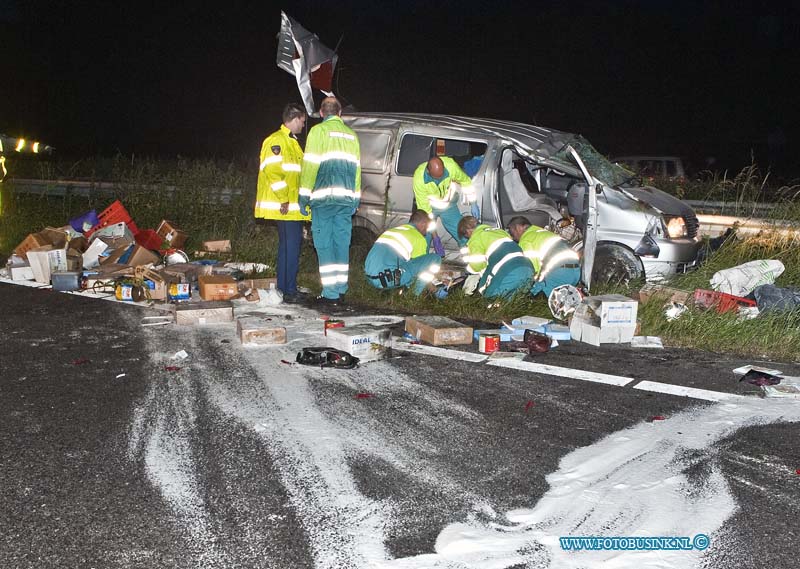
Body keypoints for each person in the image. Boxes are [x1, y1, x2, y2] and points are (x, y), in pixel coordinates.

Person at [299, 97, 361, 305]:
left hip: (323, 200)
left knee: (324, 244)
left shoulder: (318, 132)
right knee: (342, 244)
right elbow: (357, 171)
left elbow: (310, 167)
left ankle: (330, 293)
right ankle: (341, 290)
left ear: (322, 112)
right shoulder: (352, 136)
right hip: (345, 200)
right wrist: (356, 198)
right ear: (340, 112)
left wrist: (303, 196)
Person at [254, 103, 309, 303]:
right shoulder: (276, 141)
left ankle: (287, 288)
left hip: (292, 207)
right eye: (302, 122)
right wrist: (284, 198)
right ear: (295, 119)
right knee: (290, 247)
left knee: (290, 248)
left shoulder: (291, 141)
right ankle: (288, 290)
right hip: (285, 206)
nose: (303, 126)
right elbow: (273, 172)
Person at [364, 210, 445, 297]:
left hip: (370, 278)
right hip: (387, 279)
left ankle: (396, 292)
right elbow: (422, 270)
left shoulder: (393, 231)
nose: (426, 233)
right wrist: (435, 288)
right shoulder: (418, 237)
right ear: (423, 224)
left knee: (406, 265)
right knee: (435, 259)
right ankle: (413, 296)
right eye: (427, 228)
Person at [457, 216, 533, 299]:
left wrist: (468, 270)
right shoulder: (499, 231)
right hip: (528, 268)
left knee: (490, 298)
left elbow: (477, 265)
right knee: (513, 302)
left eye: (466, 236)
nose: (468, 238)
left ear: (468, 230)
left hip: (508, 270)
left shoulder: (476, 237)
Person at [507, 216, 580, 297]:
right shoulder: (544, 233)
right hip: (575, 272)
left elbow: (531, 271)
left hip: (558, 274)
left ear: (518, 227)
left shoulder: (526, 240)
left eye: (511, 232)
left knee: (538, 299)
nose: (512, 237)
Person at [413, 156, 477, 248]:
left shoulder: (451, 166)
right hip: (430, 207)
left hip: (448, 205)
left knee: (463, 233)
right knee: (424, 238)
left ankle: (471, 258)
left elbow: (465, 181)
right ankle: (423, 259)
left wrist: (473, 202)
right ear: (428, 172)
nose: (441, 180)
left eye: (442, 176)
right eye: (437, 178)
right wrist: (435, 236)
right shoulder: (419, 180)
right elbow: (425, 213)